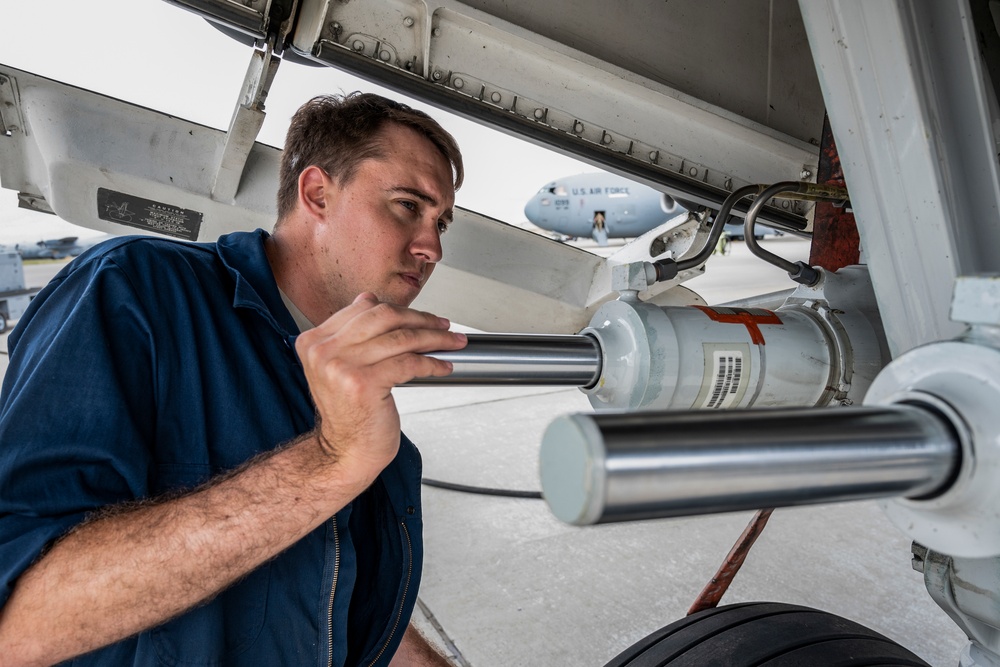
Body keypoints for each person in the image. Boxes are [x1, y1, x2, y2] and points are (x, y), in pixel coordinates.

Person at [0, 92, 468, 666]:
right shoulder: (136, 292)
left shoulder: (362, 413)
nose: (432, 247)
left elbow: (325, 603)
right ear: (317, 193)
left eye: (439, 221)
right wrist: (327, 462)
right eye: (406, 206)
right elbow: (18, 623)